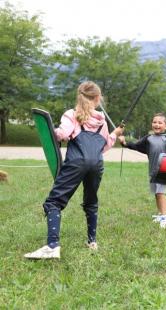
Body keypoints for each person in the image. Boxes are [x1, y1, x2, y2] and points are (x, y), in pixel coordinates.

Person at [24, 81, 124, 259]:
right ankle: (92, 241)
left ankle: (52, 246)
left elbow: (61, 134)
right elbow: (105, 145)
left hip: (77, 161)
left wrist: (52, 131)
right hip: (97, 164)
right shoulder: (101, 120)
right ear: (98, 98)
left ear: (79, 95)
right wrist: (115, 134)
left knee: (54, 202)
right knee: (91, 201)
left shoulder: (72, 114)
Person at [118, 113, 166, 228]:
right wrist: (124, 143)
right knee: (156, 193)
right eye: (154, 122)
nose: (156, 124)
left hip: (163, 172)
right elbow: (136, 146)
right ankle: (160, 214)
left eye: (160, 122)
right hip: (152, 171)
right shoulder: (148, 138)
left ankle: (165, 217)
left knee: (161, 193)